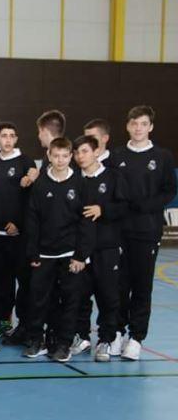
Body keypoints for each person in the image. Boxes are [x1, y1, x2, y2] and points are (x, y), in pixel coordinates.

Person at [110, 105, 177, 360]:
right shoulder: (116, 155)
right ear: (127, 125)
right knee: (118, 285)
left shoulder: (162, 156)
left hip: (147, 232)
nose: (138, 128)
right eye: (134, 123)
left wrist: (147, 206)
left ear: (151, 127)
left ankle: (136, 337)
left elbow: (170, 190)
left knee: (141, 286)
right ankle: (115, 332)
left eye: (143, 124)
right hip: (119, 232)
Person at [23, 137, 94, 362]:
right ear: (49, 156)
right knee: (38, 300)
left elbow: (86, 222)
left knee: (71, 301)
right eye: (56, 156)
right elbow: (32, 220)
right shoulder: (41, 184)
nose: (60, 160)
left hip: (70, 256)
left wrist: (81, 255)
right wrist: (33, 252)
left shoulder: (81, 184)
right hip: (44, 254)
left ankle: (64, 344)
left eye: (65, 156)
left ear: (71, 156)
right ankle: (37, 340)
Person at [73, 135, 127, 361]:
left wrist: (102, 209)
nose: (80, 156)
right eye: (76, 152)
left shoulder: (113, 177)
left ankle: (106, 340)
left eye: (84, 151)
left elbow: (124, 207)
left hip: (107, 247)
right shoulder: (74, 179)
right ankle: (82, 337)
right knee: (79, 295)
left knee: (107, 295)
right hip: (80, 251)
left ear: (96, 152)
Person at [0, 122, 37, 344]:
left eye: (11, 136)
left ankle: (25, 327)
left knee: (23, 283)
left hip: (17, 235)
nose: (7, 140)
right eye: (3, 136)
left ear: (16, 139)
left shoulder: (25, 161)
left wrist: (18, 223)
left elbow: (29, 197)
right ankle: (3, 322)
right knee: (0, 282)